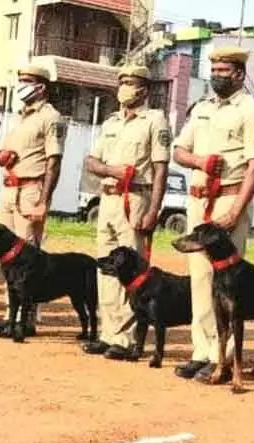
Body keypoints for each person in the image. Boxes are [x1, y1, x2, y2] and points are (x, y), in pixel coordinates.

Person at [172, 47, 254, 384]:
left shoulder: (253, 111)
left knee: (228, 285)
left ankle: (224, 358)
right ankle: (202, 352)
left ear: (240, 74)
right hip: (199, 202)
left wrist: (235, 211)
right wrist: (199, 162)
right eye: (213, 68)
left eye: (224, 69)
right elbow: (179, 151)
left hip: (229, 202)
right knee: (200, 280)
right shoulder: (201, 108)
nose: (217, 74)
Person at [83, 64, 171, 360]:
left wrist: (154, 210)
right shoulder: (111, 123)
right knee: (107, 269)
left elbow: (161, 169)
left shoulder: (154, 121)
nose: (123, 88)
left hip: (135, 199)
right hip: (107, 198)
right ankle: (109, 333)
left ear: (144, 89)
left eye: (129, 82)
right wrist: (111, 170)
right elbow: (92, 162)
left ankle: (128, 338)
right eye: (121, 82)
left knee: (131, 273)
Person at [0, 63, 65, 335]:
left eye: (27, 80)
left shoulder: (50, 117)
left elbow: (54, 162)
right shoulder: (19, 116)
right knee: (8, 257)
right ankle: (12, 315)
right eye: (20, 79)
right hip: (9, 187)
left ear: (41, 86)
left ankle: (27, 319)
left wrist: (43, 201)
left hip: (32, 189)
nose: (21, 85)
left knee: (27, 257)